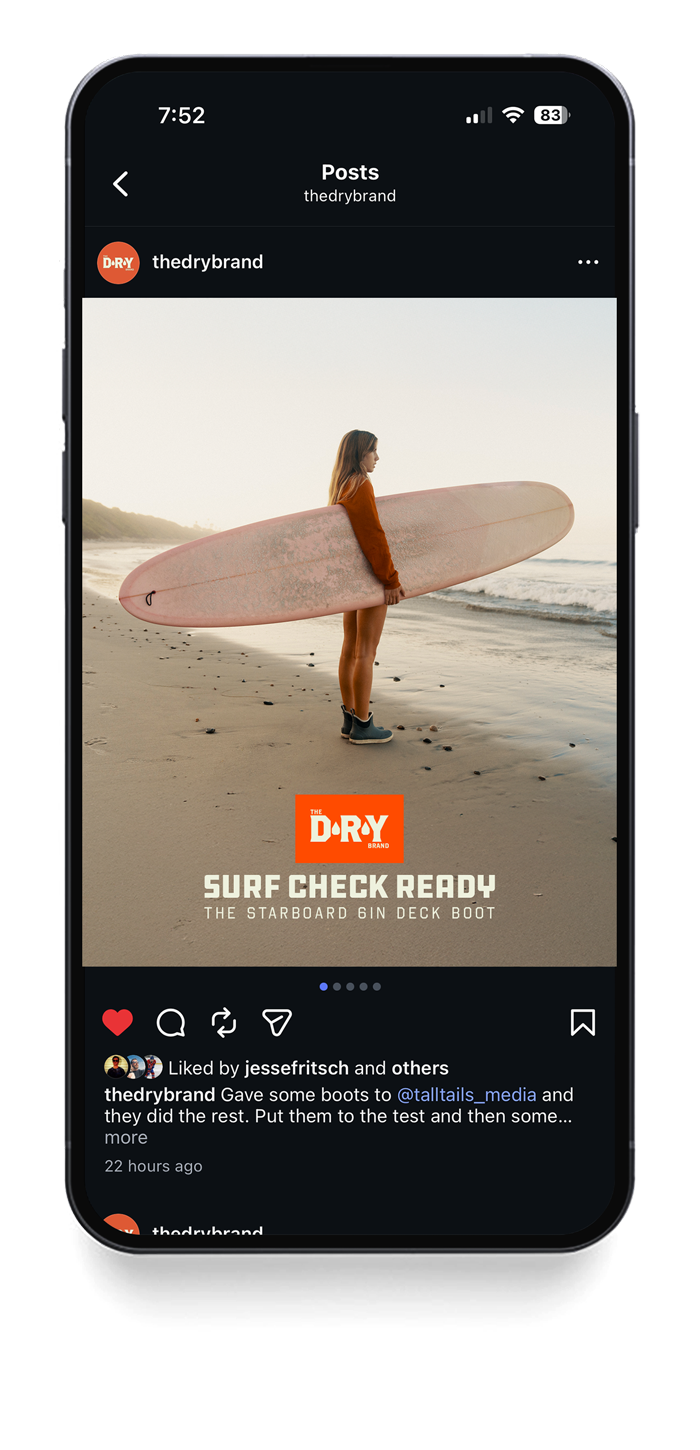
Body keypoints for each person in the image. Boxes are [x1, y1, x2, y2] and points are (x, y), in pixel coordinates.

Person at [329, 431, 405, 744]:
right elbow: (373, 535)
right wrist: (390, 580)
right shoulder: (361, 484)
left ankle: (349, 719)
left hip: (350, 578)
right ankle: (363, 724)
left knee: (350, 648)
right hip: (369, 577)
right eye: (373, 451)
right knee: (365, 651)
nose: (377, 457)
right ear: (361, 454)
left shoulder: (340, 486)